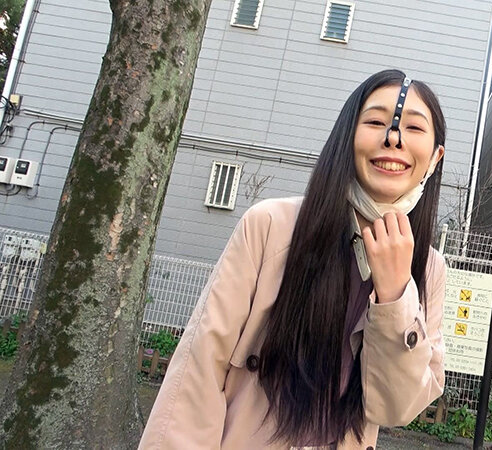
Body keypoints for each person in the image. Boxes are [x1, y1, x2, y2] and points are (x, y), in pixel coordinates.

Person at [139, 69, 447, 449]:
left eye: (413, 128)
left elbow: (396, 409)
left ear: (435, 157)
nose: (393, 139)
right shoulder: (270, 227)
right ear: (347, 136)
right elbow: (199, 370)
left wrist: (396, 296)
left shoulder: (430, 270)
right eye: (374, 122)